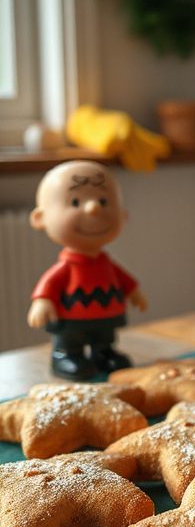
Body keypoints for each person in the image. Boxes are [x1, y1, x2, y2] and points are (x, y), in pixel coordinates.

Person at [27, 160, 147, 379]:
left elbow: (124, 279)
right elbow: (50, 282)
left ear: (123, 214)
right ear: (40, 218)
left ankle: (103, 353)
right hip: (70, 318)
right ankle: (65, 355)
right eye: (75, 202)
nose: (93, 208)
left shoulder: (107, 264)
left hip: (105, 314)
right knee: (70, 339)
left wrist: (134, 292)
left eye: (103, 200)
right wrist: (42, 300)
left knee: (105, 336)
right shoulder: (66, 268)